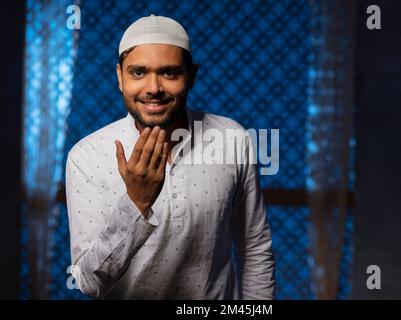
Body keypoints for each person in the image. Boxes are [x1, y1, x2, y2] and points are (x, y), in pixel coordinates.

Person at [66, 14, 275, 299]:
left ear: (191, 75)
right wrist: (136, 204)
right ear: (119, 77)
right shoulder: (87, 156)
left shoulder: (232, 139)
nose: (153, 88)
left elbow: (255, 249)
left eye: (169, 72)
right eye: (138, 72)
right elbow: (88, 282)